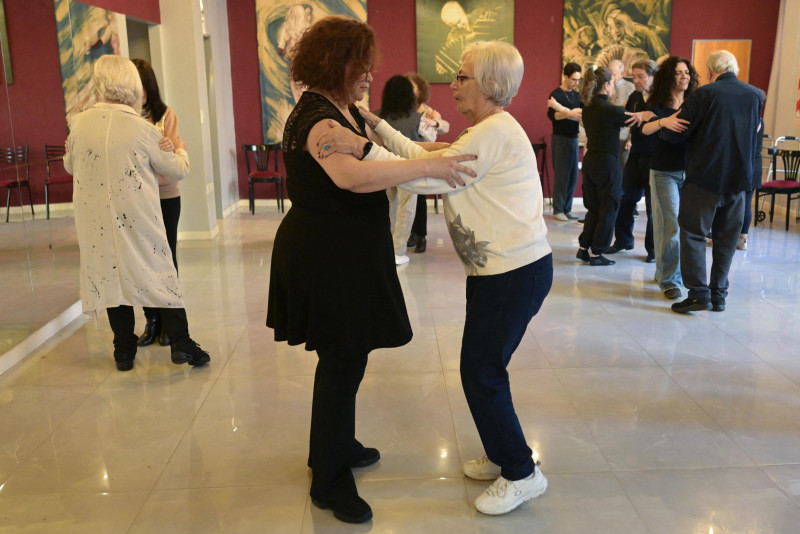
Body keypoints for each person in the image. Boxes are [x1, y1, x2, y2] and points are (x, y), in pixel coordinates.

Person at [319, 40, 553, 517]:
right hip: (501, 272)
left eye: (463, 76)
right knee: (486, 367)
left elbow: (424, 178)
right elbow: (429, 158)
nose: (454, 85)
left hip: (513, 273)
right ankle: (502, 449)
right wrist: (378, 126)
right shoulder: (483, 130)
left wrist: (363, 147)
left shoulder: (491, 134)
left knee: (480, 370)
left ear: (489, 84)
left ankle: (522, 473)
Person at [264, 16, 476, 525]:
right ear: (337, 63)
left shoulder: (343, 110)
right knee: (341, 360)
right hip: (327, 253)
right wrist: (429, 167)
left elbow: (380, 153)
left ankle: (334, 446)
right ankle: (330, 481)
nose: (370, 74)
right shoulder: (319, 117)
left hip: (344, 249)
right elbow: (352, 176)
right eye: (362, 65)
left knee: (348, 357)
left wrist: (432, 156)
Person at [64, 55, 210, 372]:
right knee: (158, 270)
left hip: (95, 217)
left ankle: (124, 350)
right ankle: (182, 343)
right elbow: (176, 169)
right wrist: (180, 147)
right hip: (136, 215)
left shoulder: (79, 124)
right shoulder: (141, 128)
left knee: (111, 274)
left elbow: (70, 165)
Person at [660, 50, 761, 313]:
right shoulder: (754, 95)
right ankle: (719, 295)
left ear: (710, 71)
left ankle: (698, 294)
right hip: (739, 181)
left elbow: (678, 129)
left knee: (693, 233)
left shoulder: (704, 94)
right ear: (734, 69)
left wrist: (662, 129)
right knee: (726, 238)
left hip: (706, 177)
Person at [132, 58, 183, 348]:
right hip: (136, 199)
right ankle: (151, 321)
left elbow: (172, 164)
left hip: (165, 197)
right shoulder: (126, 118)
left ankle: (169, 322)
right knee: (141, 259)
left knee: (166, 258)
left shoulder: (167, 115)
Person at [641, 56, 698, 300]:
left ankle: (667, 271)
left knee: (685, 226)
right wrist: (663, 121)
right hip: (664, 172)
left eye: (687, 72)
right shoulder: (657, 105)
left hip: (692, 172)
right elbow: (644, 129)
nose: (684, 76)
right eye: (678, 72)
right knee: (670, 224)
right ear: (668, 77)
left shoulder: (695, 103)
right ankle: (669, 281)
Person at [576, 66, 638, 266]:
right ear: (606, 85)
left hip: (590, 161)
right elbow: (633, 119)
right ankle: (597, 253)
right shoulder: (611, 110)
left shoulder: (587, 109)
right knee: (609, 207)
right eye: (612, 83)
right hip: (607, 163)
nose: (613, 86)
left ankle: (584, 247)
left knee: (593, 208)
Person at [377, 75, 432, 264]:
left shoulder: (375, 116)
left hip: (381, 169)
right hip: (410, 171)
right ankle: (398, 251)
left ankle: (384, 248)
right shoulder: (418, 118)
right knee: (405, 212)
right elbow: (428, 143)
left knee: (386, 210)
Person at [607, 59, 657, 262]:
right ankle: (624, 240)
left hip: (655, 158)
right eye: (634, 76)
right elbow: (626, 118)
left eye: (641, 77)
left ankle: (653, 250)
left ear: (652, 77)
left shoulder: (662, 98)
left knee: (654, 207)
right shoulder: (635, 96)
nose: (635, 81)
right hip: (636, 156)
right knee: (625, 198)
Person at [406, 71, 450, 253]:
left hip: (422, 158)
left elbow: (446, 126)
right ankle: (411, 233)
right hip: (406, 158)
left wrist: (435, 124)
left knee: (420, 197)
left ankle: (421, 235)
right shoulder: (402, 110)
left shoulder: (428, 111)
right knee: (407, 197)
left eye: (413, 87)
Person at [547, 62, 583, 221]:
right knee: (562, 174)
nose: (576, 83)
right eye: (574, 79)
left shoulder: (577, 96)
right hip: (560, 138)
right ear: (566, 77)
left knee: (573, 175)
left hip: (574, 138)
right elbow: (553, 116)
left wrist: (563, 111)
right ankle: (558, 209)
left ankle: (567, 208)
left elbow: (580, 114)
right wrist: (569, 113)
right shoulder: (556, 94)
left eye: (578, 80)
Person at [739, 89, 767, 251]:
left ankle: (725, 236)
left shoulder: (748, 119)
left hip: (745, 164)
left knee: (733, 203)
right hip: (755, 164)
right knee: (747, 203)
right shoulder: (760, 120)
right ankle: (743, 239)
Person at [609, 59, 636, 168]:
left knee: (623, 169)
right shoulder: (606, 86)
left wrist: (631, 138)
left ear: (622, 74)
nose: (611, 77)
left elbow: (635, 115)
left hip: (624, 139)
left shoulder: (631, 88)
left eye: (613, 74)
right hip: (610, 137)